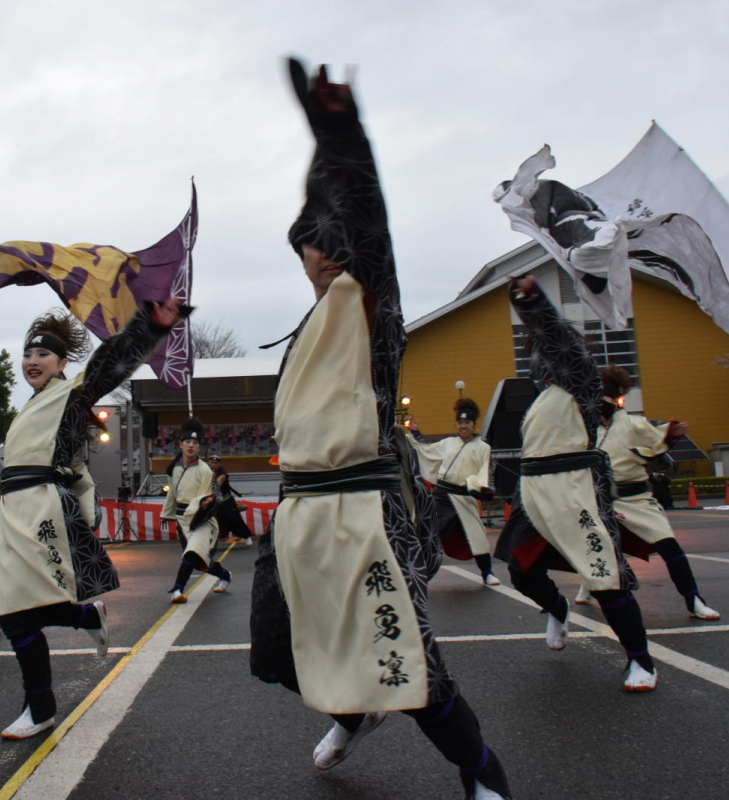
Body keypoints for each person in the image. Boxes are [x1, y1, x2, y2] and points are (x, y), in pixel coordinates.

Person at [249, 60, 511, 799]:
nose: (326, 250)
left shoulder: (370, 306)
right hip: (300, 512)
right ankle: (355, 711)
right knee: (279, 648)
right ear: (300, 253)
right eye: (313, 241)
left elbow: (369, 227)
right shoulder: (305, 328)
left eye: (336, 242)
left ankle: (483, 771)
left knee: (408, 659)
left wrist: (341, 134)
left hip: (363, 510)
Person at [0, 301, 186, 740]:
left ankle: (40, 707)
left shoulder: (71, 393)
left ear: (62, 363)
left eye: (43, 355)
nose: (32, 361)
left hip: (41, 506)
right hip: (12, 511)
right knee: (14, 610)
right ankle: (84, 622)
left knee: (19, 614)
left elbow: (110, 362)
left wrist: (151, 324)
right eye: (28, 353)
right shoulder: (31, 405)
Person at [494, 276, 657, 692]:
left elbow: (556, 339)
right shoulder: (542, 399)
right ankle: (558, 607)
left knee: (604, 576)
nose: (542, 363)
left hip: (575, 484)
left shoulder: (584, 380)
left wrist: (532, 305)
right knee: (521, 571)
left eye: (545, 353)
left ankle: (641, 660)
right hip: (533, 490)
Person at [574, 365, 719, 620]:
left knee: (669, 547)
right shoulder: (587, 429)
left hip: (637, 498)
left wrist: (665, 441)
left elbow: (660, 455)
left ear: (618, 397)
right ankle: (587, 585)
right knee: (598, 546)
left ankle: (694, 599)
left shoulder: (633, 424)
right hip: (601, 500)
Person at [409, 398, 501, 585]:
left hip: (464, 496)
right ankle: (420, 573)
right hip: (441, 495)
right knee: (431, 532)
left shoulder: (483, 447)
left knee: (477, 536)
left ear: (474, 425)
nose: (463, 426)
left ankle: (487, 572)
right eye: (460, 422)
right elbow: (427, 451)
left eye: (467, 422)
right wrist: (416, 434)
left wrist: (482, 488)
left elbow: (485, 471)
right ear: (456, 424)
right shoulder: (448, 443)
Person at [161, 420, 233, 603]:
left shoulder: (205, 470)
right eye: (187, 442)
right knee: (199, 560)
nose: (191, 445)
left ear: (199, 447)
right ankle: (225, 575)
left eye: (195, 443)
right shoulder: (173, 468)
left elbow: (204, 498)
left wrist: (197, 511)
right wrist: (166, 513)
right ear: (180, 444)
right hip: (181, 518)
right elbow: (172, 494)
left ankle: (177, 589)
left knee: (192, 553)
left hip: (201, 517)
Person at [209, 455, 254, 545]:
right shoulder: (205, 471)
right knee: (212, 522)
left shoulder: (222, 473)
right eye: (212, 462)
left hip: (226, 502)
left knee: (235, 521)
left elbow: (217, 485)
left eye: (216, 463)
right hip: (213, 502)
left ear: (219, 464)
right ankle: (210, 541)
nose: (213, 465)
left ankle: (247, 536)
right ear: (208, 463)